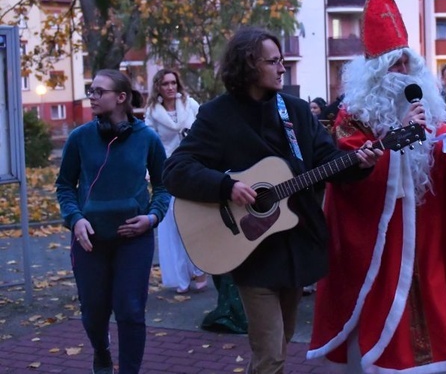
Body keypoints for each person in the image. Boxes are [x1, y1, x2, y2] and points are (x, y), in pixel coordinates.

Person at [163, 27, 382, 374]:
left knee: (279, 346)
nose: (282, 69)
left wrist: (358, 163)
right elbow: (175, 170)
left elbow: (326, 162)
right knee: (271, 355)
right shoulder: (217, 115)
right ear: (248, 65)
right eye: (274, 62)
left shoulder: (294, 111)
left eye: (282, 61)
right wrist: (225, 186)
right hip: (252, 250)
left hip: (297, 248)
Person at [308, 0, 446, 373]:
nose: (403, 73)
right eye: (394, 65)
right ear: (376, 72)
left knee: (432, 291)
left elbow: (443, 156)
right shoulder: (353, 114)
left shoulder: (427, 104)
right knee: (384, 297)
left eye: (407, 64)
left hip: (426, 227)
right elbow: (349, 174)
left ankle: (437, 360)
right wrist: (392, 141)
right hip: (382, 232)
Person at [56, 69, 170, 374]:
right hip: (89, 240)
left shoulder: (147, 138)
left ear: (121, 97)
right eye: (90, 91)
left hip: (135, 240)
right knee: (93, 314)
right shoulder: (80, 138)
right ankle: (102, 350)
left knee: (131, 311)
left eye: (98, 92)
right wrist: (75, 219)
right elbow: (65, 185)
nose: (91, 97)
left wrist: (152, 217)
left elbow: (163, 186)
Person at [144, 69, 206, 294]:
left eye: (173, 83)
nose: (170, 87)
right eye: (165, 84)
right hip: (167, 171)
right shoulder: (151, 112)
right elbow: (149, 144)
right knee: (171, 224)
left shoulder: (190, 105)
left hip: (193, 167)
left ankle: (200, 269)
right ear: (158, 87)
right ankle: (180, 276)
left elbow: (204, 131)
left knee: (194, 220)